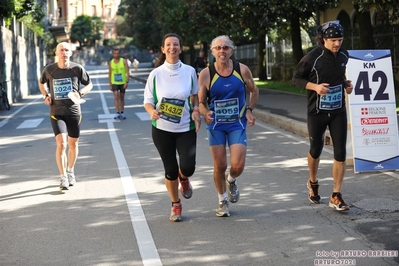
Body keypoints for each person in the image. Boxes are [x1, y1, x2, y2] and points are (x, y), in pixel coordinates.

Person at [292, 20, 353, 211]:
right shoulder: (312, 58)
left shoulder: (344, 55)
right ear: (323, 39)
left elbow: (338, 76)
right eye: (333, 40)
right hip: (316, 111)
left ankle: (336, 194)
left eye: (340, 40)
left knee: (340, 152)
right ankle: (312, 181)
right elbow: (296, 79)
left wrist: (346, 85)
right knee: (316, 149)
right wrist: (315, 87)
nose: (337, 44)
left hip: (338, 110)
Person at [198, 35, 259, 217]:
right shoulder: (206, 73)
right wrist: (204, 112)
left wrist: (249, 109)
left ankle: (231, 180)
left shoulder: (242, 70)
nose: (222, 51)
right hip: (216, 125)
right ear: (212, 52)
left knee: (238, 165)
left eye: (225, 48)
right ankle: (222, 200)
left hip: (236, 124)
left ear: (231, 50)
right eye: (218, 48)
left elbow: (254, 90)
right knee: (219, 165)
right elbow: (201, 102)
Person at [143, 33, 201, 222]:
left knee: (188, 168)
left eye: (175, 44)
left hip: (185, 127)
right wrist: (152, 111)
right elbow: (148, 101)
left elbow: (194, 95)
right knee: (169, 169)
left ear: (180, 48)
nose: (172, 47)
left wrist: (196, 109)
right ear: (163, 49)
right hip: (161, 129)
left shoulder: (190, 71)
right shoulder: (156, 74)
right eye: (168, 44)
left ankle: (184, 178)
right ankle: (175, 204)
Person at [38, 42, 93, 191]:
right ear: (56, 52)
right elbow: (41, 83)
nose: (64, 52)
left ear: (70, 53)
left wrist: (80, 93)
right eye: (61, 50)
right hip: (57, 112)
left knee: (73, 144)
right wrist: (46, 96)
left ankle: (70, 171)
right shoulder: (50, 70)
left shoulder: (77, 69)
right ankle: (62, 177)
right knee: (61, 143)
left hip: (74, 111)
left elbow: (89, 84)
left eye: (66, 50)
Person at [108, 48, 129, 119]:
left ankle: (122, 112)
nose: (116, 55)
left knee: (122, 97)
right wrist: (110, 84)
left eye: (118, 53)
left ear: (120, 54)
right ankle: (117, 112)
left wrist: (127, 82)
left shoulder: (124, 61)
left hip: (122, 82)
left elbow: (127, 72)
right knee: (116, 96)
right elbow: (110, 73)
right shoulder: (111, 62)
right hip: (114, 82)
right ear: (113, 54)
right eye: (115, 53)